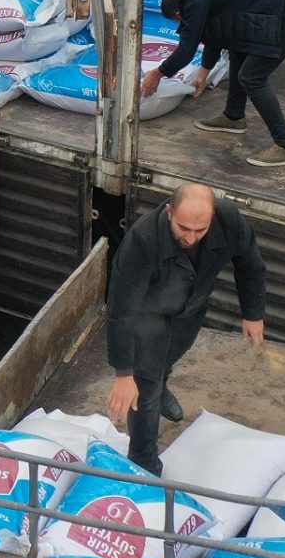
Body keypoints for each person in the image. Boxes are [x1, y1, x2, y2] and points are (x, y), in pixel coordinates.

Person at [104, 183, 266, 471]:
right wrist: (123, 374)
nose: (191, 238)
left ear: (213, 218)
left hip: (189, 312)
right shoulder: (142, 240)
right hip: (146, 317)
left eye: (200, 230)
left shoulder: (228, 219)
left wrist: (253, 313)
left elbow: (250, 263)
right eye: (183, 228)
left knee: (166, 362)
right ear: (170, 211)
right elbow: (121, 310)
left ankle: (161, 382)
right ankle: (144, 465)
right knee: (145, 388)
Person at [144, 0, 285, 167]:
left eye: (178, 22)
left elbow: (186, 51)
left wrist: (157, 73)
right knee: (239, 47)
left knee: (252, 77)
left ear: (178, 14)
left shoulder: (195, 2)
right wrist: (204, 71)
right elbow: (216, 35)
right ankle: (233, 116)